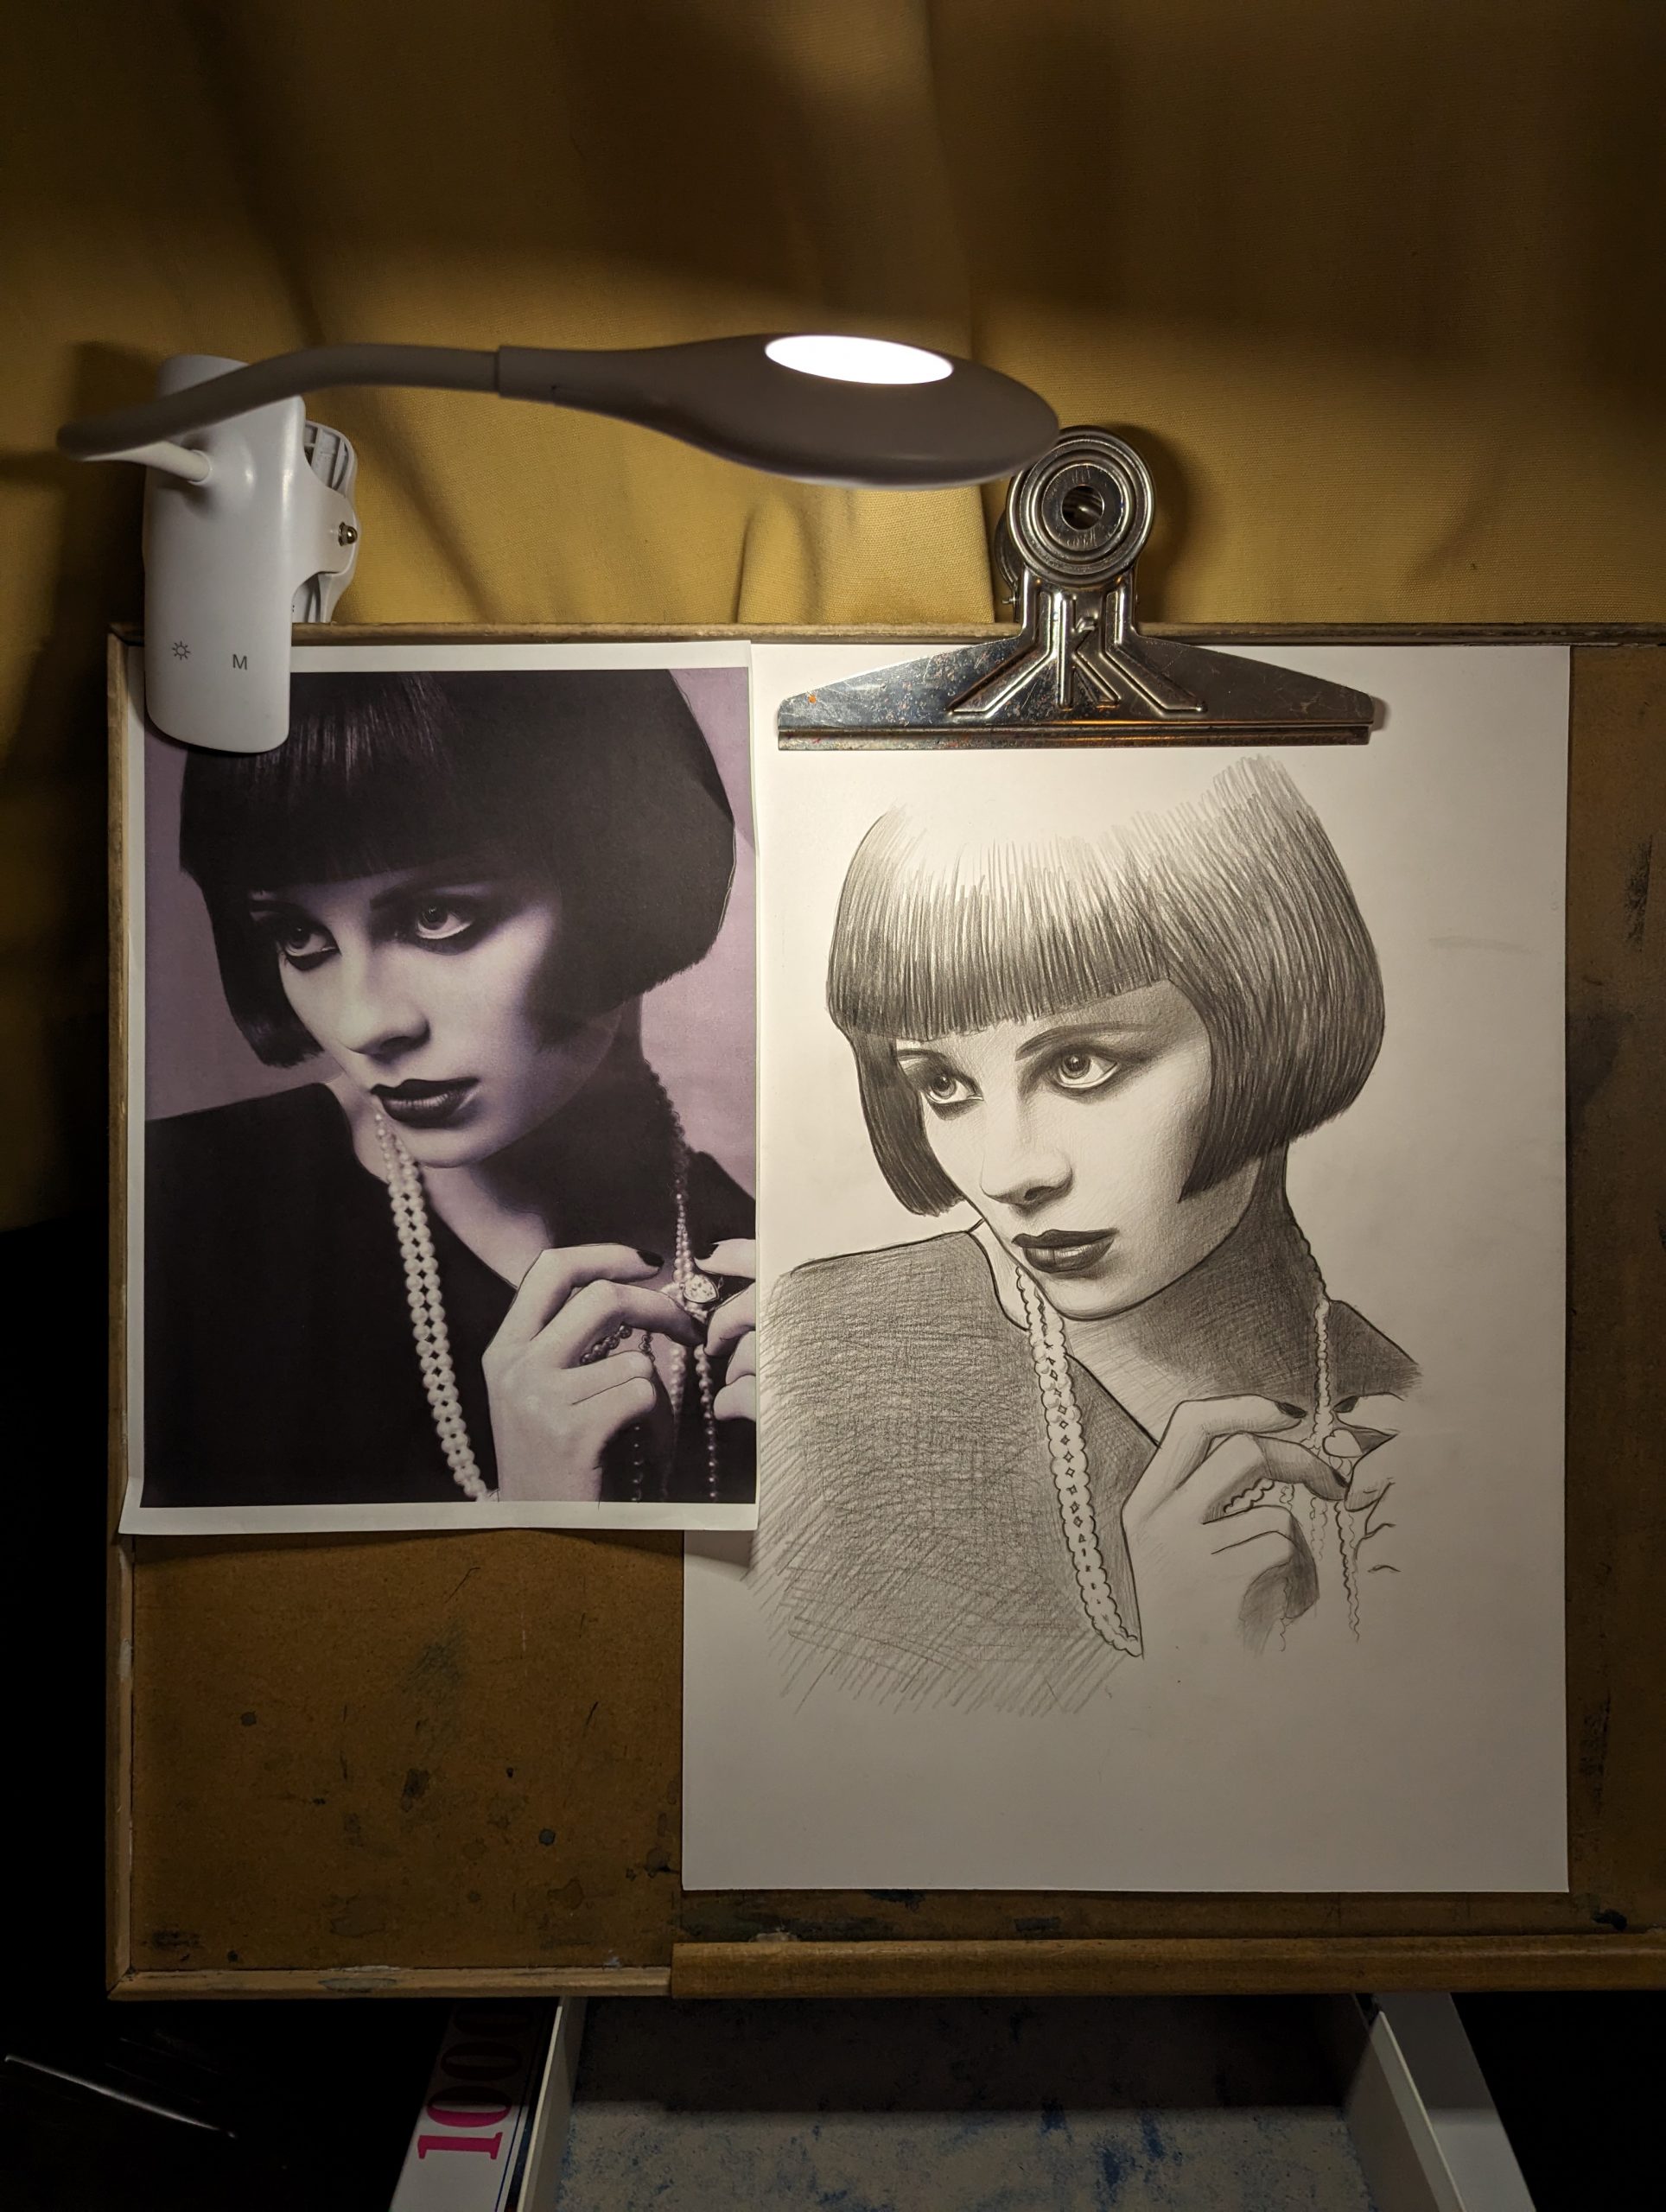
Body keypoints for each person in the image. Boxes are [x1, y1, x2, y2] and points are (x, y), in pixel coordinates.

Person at [760, 756, 1415, 1710]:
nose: (1006, 1172)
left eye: (1078, 1065)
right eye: (942, 1083)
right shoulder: (827, 1355)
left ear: (1270, 1017)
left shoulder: (1412, 1411)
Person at [143, 669, 756, 1510]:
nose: (362, 1024)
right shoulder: (167, 1220)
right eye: (297, 935)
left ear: (623, 880)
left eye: (438, 919)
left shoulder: (769, 1270)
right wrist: (529, 1519)